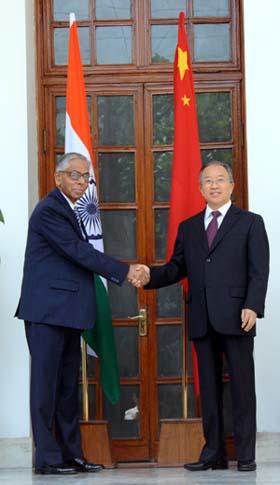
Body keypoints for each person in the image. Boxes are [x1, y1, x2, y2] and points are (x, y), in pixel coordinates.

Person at [16, 152, 148, 475]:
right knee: (45, 389)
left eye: (85, 177)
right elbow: (79, 253)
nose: (80, 181)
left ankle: (71, 455)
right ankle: (47, 459)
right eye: (74, 175)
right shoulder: (49, 210)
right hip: (47, 314)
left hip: (69, 314)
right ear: (58, 177)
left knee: (67, 390)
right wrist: (125, 270)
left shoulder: (70, 211)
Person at [133, 161, 269, 472]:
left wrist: (253, 305)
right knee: (208, 390)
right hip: (202, 317)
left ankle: (246, 455)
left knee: (242, 388)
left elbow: (259, 271)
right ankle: (214, 454)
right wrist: (148, 275)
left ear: (232, 185)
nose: (214, 185)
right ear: (200, 188)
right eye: (208, 181)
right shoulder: (189, 227)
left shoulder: (250, 222)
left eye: (221, 180)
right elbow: (175, 269)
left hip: (238, 316)